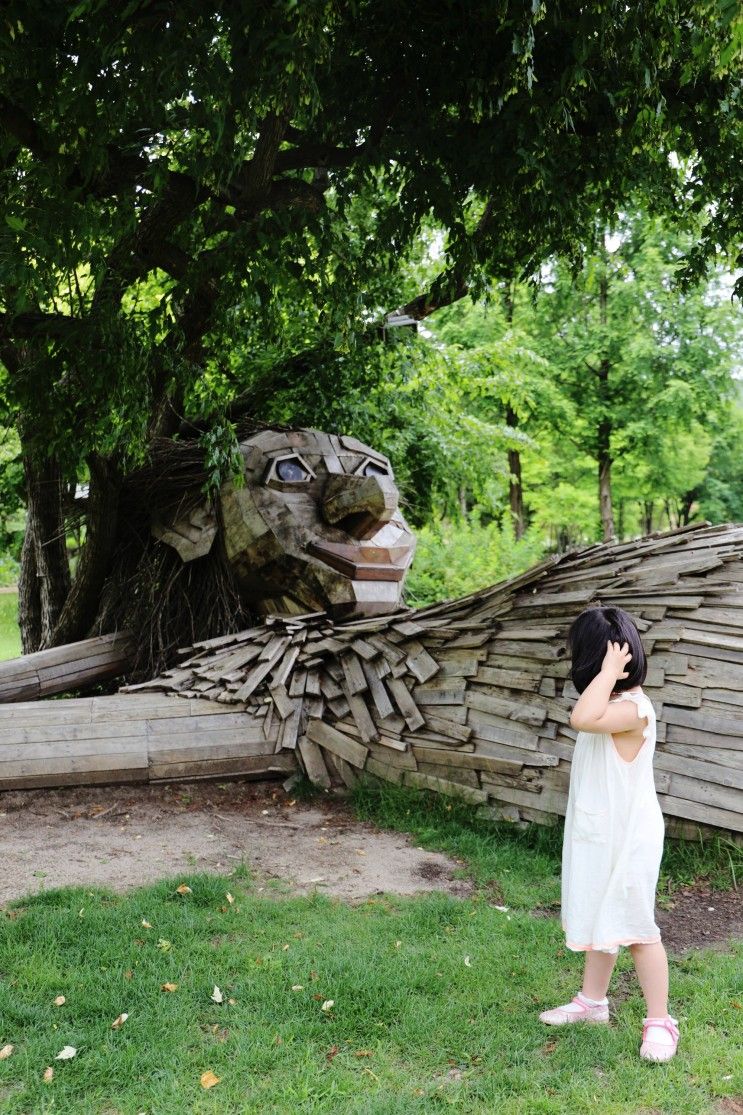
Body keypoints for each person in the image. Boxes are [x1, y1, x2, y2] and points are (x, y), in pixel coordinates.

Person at [539, 604, 680, 1062]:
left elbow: (581, 718)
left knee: (637, 926)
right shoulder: (607, 704)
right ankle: (592, 1002)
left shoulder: (632, 709)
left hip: (631, 838)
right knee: (603, 916)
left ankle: (660, 1021)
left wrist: (606, 672)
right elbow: (587, 716)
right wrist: (606, 676)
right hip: (601, 833)